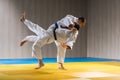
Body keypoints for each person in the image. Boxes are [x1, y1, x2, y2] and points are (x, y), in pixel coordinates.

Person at [20, 12, 86, 70]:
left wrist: (67, 46)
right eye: (82, 24)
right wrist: (72, 26)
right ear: (80, 21)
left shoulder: (75, 31)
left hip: (60, 38)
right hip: (52, 32)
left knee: (61, 47)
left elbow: (72, 40)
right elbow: (68, 23)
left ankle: (60, 64)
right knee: (37, 41)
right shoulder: (70, 18)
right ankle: (40, 61)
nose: (82, 25)